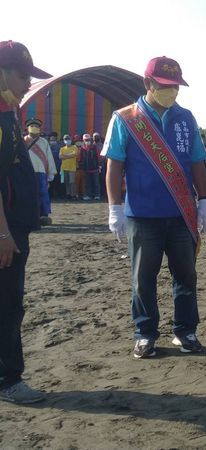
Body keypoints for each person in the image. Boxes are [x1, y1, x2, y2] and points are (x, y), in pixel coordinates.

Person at [102, 56, 206, 359]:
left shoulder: (186, 118)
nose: (171, 91)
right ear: (148, 83)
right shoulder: (126, 118)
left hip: (181, 214)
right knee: (143, 279)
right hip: (142, 216)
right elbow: (114, 165)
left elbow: (197, 160)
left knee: (186, 276)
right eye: (165, 86)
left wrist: (203, 200)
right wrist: (115, 208)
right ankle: (145, 333)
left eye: (175, 86)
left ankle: (185, 330)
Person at [0, 40, 51, 404]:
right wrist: (3, 232)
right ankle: (8, 379)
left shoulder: (10, 113)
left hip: (13, 229)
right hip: (5, 233)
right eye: (22, 75)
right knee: (7, 303)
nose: (26, 83)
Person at [23, 117, 56, 225]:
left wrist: (51, 173)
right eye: (32, 126)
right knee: (28, 194)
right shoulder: (23, 141)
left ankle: (43, 215)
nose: (34, 128)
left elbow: (49, 157)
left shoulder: (44, 142)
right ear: (28, 128)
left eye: (36, 126)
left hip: (41, 172)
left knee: (43, 193)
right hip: (27, 173)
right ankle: (30, 215)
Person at [79, 133, 100, 200]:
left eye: (88, 140)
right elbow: (80, 158)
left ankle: (97, 195)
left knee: (96, 183)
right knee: (87, 183)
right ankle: (88, 195)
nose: (87, 141)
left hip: (95, 168)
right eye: (85, 140)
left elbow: (98, 156)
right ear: (83, 140)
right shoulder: (82, 148)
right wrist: (82, 165)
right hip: (86, 169)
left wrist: (99, 165)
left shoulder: (94, 147)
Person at [58, 134, 79, 200]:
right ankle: (68, 194)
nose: (67, 140)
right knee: (67, 182)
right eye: (65, 139)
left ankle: (73, 195)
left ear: (71, 139)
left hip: (72, 168)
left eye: (68, 139)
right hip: (64, 168)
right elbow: (60, 157)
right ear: (64, 141)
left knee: (72, 182)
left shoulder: (74, 147)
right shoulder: (62, 148)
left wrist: (65, 156)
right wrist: (70, 155)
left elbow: (75, 154)